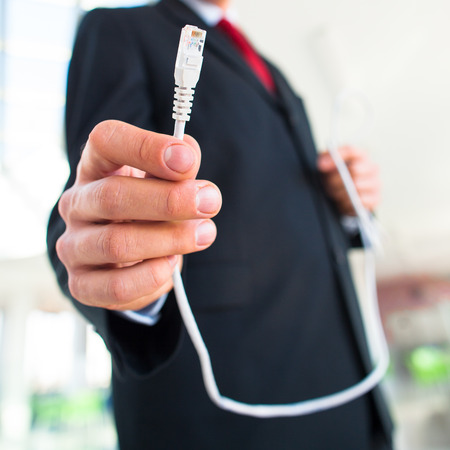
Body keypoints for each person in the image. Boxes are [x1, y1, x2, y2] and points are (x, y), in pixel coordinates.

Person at [47, 0, 393, 448]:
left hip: (349, 394)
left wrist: (348, 202)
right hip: (226, 412)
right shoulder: (118, 28)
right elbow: (91, 195)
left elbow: (282, 207)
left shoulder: (271, 68)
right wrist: (120, 271)